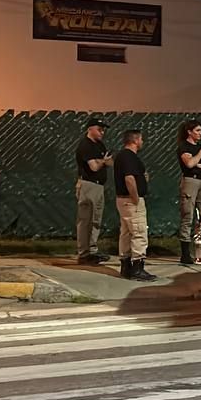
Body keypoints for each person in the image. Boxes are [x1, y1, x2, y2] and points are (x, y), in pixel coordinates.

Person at [113, 129, 156, 281]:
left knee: (125, 233)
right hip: (131, 200)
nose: (142, 142)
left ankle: (125, 266)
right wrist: (136, 198)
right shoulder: (129, 157)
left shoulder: (121, 157)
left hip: (122, 200)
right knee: (138, 232)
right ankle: (138, 268)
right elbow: (129, 179)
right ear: (135, 140)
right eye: (141, 139)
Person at [74, 119, 113, 265]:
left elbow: (110, 162)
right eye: (100, 129)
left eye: (103, 129)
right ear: (90, 129)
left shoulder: (100, 145)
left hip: (99, 185)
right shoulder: (86, 145)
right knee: (85, 220)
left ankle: (92, 250)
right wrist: (102, 161)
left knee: (96, 220)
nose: (102, 132)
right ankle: (83, 253)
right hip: (88, 185)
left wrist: (102, 161)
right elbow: (94, 167)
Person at [176, 120, 201, 265]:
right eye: (197, 130)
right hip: (190, 181)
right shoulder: (184, 147)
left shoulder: (199, 147)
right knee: (187, 215)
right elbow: (189, 164)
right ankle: (185, 253)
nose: (200, 133)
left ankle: (200, 251)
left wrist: (197, 161)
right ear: (189, 132)